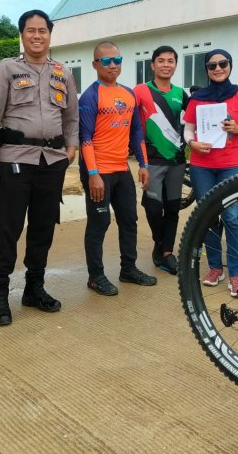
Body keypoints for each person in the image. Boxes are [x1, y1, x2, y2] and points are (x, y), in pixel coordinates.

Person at [0, 9, 79, 326]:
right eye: (30, 30)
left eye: (43, 30)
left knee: (43, 226)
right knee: (7, 227)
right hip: (14, 160)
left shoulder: (63, 72)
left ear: (50, 35)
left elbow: (72, 116)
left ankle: (34, 288)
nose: (37, 36)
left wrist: (71, 149)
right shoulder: (6, 69)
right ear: (22, 35)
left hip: (51, 161)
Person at [79, 41, 157, 296]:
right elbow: (85, 138)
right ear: (95, 65)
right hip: (98, 171)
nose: (112, 65)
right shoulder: (91, 96)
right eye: (106, 61)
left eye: (117, 60)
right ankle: (96, 276)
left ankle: (128, 269)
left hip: (121, 169)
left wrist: (143, 164)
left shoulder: (128, 94)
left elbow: (136, 132)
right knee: (99, 222)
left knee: (129, 219)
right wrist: (93, 174)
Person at [182, 49, 238, 297]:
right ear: (206, 69)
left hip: (231, 164)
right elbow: (188, 130)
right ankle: (215, 267)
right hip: (202, 166)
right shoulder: (197, 98)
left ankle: (236, 272)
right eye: (212, 65)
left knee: (232, 218)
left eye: (222, 63)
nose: (217, 69)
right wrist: (192, 143)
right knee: (209, 216)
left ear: (230, 65)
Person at [134, 46, 189, 275]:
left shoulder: (181, 93)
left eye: (171, 61)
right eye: (161, 60)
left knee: (173, 208)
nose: (166, 64)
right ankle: (160, 242)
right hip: (152, 161)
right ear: (153, 65)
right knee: (154, 208)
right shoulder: (140, 91)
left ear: (175, 65)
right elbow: (131, 124)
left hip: (177, 161)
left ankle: (167, 252)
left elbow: (196, 118)